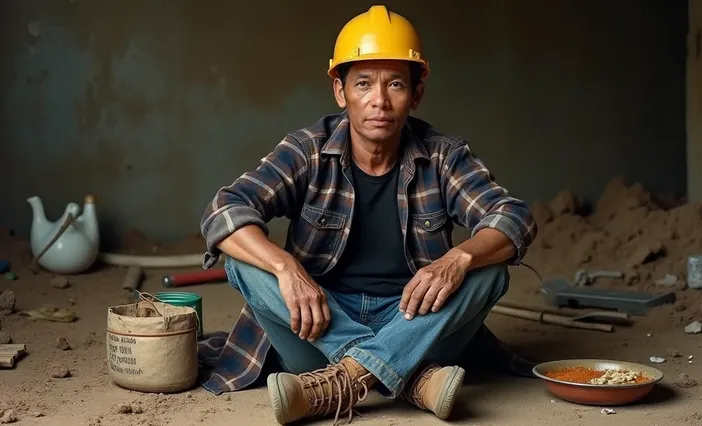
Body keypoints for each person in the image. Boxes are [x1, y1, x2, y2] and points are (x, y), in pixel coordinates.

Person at [199, 5, 537, 425]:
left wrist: (458, 259)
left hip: (417, 324)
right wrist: (286, 267)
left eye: (395, 83)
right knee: (245, 262)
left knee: (489, 269)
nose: (379, 101)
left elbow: (513, 217)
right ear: (341, 92)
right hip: (318, 326)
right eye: (363, 83)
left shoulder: (443, 155)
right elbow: (224, 210)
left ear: (416, 93)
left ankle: (343, 380)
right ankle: (411, 380)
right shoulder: (308, 149)